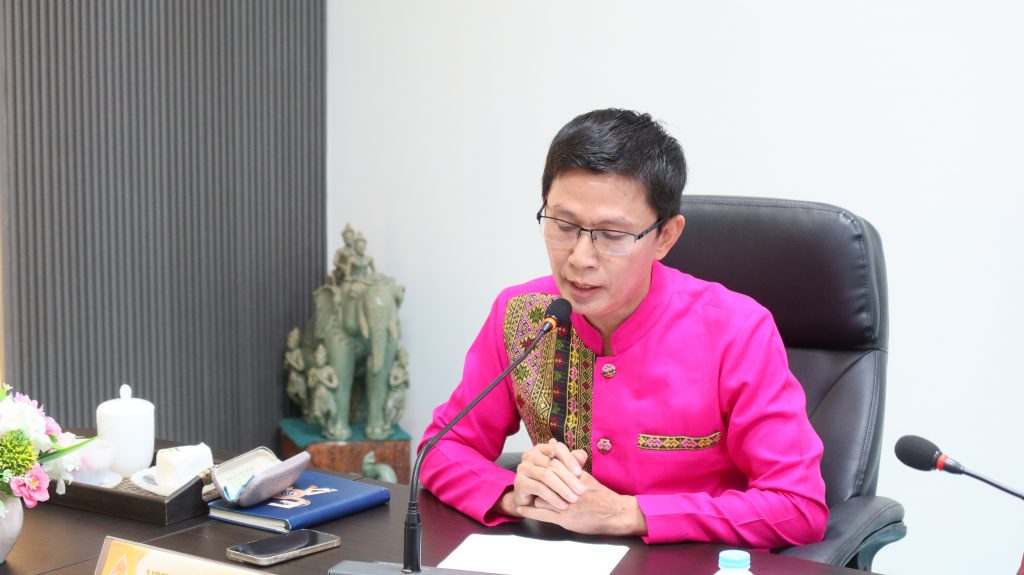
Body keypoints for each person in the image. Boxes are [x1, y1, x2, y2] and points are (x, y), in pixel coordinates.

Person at [418, 108, 828, 548]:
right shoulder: (523, 315)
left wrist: (627, 514)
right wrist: (513, 496)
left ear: (666, 237)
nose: (580, 258)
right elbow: (439, 449)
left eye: (612, 235)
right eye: (563, 225)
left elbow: (798, 506)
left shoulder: (737, 332)